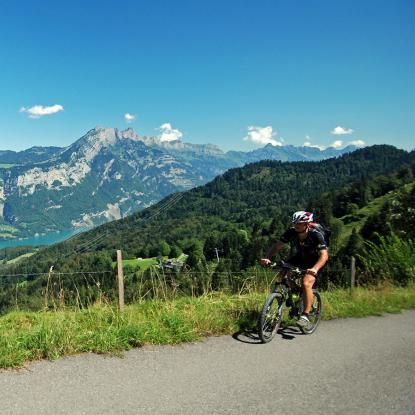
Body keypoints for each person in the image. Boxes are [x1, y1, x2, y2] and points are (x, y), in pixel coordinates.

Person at [261, 211, 329, 330]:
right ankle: (293, 295)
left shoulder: (316, 235)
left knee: (306, 282)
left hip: (316, 261)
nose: (296, 225)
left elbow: (324, 255)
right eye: (295, 223)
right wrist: (267, 257)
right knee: (283, 272)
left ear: (307, 224)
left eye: (300, 223)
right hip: (301, 256)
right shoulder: (292, 232)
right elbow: (277, 246)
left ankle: (305, 316)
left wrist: (314, 269)